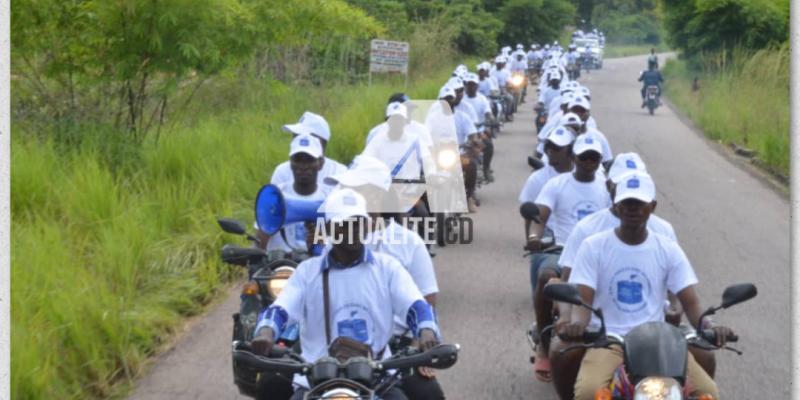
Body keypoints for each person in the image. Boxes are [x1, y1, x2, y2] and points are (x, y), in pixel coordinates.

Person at [251, 188, 441, 400]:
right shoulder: (307, 271)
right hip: (316, 378)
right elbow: (281, 309)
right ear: (329, 228)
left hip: (378, 378)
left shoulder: (388, 268)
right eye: (343, 223)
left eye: (357, 222)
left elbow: (416, 305)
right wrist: (266, 331)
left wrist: (426, 331)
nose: (352, 229)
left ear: (367, 225)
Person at [561, 172, 730, 400]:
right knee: (588, 393)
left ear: (652, 206)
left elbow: (691, 302)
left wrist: (709, 325)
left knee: (708, 392)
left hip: (657, 342)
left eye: (640, 203)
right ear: (616, 205)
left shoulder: (668, 248)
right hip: (610, 341)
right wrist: (578, 325)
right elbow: (582, 301)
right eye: (627, 202)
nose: (633, 208)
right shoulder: (593, 247)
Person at [325, 157, 445, 400]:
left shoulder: (410, 243)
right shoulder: (332, 239)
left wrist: (417, 345)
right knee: (275, 385)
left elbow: (427, 301)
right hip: (333, 345)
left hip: (395, 349)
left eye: (354, 190)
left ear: (378, 195)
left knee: (428, 393)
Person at [526, 135, 611, 382]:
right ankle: (543, 343)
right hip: (561, 249)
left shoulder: (607, 188)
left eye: (594, 157)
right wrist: (534, 235)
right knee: (546, 276)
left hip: (596, 253)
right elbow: (539, 217)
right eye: (584, 156)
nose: (589, 161)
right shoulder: (556, 184)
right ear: (574, 158)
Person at [256, 134, 331, 254]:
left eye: (310, 160)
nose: (303, 166)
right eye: (298, 159)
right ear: (290, 163)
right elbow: (261, 237)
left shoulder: (331, 197)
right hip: (280, 266)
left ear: (321, 163)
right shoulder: (275, 195)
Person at [271, 111, 347, 188]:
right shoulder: (282, 172)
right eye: (294, 136)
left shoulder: (340, 173)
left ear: (320, 141)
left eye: (300, 137)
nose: (295, 140)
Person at [462, 73, 496, 182]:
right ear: (465, 86)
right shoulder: (459, 100)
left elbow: (487, 112)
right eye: (469, 84)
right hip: (461, 135)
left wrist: (490, 118)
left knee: (488, 146)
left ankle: (486, 169)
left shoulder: (482, 99)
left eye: (473, 85)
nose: (471, 87)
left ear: (477, 86)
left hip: (477, 132)